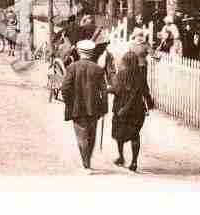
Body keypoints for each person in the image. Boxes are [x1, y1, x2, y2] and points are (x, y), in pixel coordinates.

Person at [61, 40, 108, 173]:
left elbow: (65, 88)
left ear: (79, 52)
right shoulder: (98, 69)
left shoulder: (72, 67)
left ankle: (85, 163)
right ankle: (87, 162)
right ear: (92, 53)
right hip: (94, 108)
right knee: (91, 135)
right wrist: (104, 108)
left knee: (81, 135)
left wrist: (69, 102)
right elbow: (103, 91)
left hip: (77, 107)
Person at [108, 51, 153, 172]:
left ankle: (121, 157)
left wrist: (107, 90)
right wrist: (150, 104)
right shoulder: (141, 76)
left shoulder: (120, 75)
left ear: (125, 62)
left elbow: (115, 90)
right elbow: (146, 92)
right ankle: (134, 162)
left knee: (119, 134)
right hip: (137, 110)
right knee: (135, 135)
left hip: (120, 109)